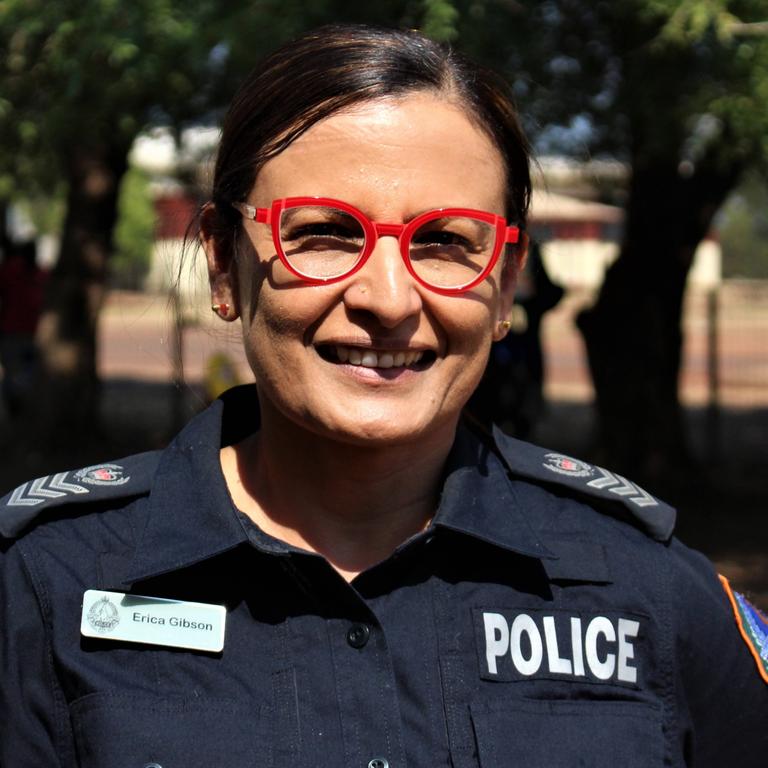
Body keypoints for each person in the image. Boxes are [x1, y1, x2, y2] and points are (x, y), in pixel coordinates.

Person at [0, 24, 765, 768]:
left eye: (444, 242)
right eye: (326, 233)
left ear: (505, 283)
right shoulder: (43, 588)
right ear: (224, 266)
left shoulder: (650, 592)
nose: (389, 298)